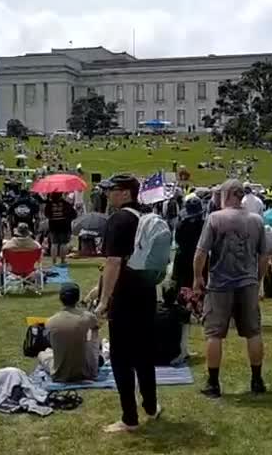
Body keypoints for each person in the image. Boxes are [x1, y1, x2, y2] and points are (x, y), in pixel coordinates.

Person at [94, 174, 161, 433]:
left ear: (125, 193)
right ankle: (152, 407)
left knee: (122, 359)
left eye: (112, 190)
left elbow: (113, 262)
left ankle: (129, 418)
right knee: (144, 354)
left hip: (125, 297)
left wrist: (103, 301)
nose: (108, 195)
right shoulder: (144, 216)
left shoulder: (118, 219)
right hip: (146, 292)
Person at [193, 179, 268, 398]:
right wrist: (259, 279)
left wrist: (198, 277)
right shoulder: (256, 220)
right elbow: (264, 256)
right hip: (248, 283)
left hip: (220, 284)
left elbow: (201, 253)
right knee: (253, 332)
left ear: (226, 195)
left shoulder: (215, 218)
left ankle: (213, 383)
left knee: (214, 334)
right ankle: (257, 380)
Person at [44, 283, 101, 383]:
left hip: (60, 375)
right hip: (87, 373)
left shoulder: (50, 321)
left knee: (43, 354)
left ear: (60, 299)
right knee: (93, 333)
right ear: (78, 298)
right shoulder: (88, 318)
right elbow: (95, 329)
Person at [171, 197, 205, 295]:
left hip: (184, 257)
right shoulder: (203, 225)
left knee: (183, 285)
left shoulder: (181, 224)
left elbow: (177, 240)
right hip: (198, 258)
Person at [154, 286, 191, 366]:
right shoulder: (181, 311)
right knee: (186, 323)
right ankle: (184, 352)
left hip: (153, 357)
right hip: (172, 358)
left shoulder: (153, 308)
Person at [45, 192, 77, 265]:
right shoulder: (66, 204)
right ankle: (62, 260)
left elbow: (46, 214)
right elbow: (74, 214)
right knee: (63, 243)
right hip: (64, 226)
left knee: (54, 244)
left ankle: (54, 261)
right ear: (61, 195)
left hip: (53, 226)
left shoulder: (49, 204)